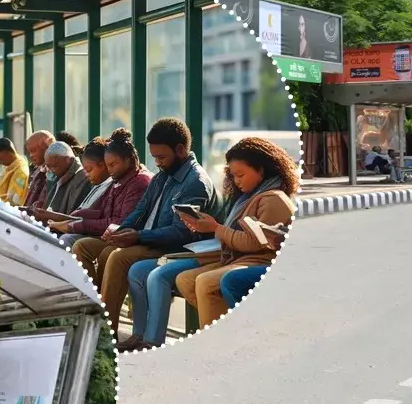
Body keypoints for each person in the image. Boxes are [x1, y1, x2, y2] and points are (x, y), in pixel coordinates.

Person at [72, 118, 217, 328]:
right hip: (148, 240)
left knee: (117, 257)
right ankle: (95, 316)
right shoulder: (162, 176)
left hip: (171, 248)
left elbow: (181, 233)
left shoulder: (195, 182)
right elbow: (140, 211)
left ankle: (105, 328)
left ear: (180, 150)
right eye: (154, 157)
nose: (157, 162)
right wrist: (121, 232)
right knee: (90, 247)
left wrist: (138, 236)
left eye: (161, 157)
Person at [173, 137, 300, 328]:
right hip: (236, 259)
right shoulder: (247, 198)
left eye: (240, 175)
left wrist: (216, 228)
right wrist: (206, 227)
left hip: (258, 261)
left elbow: (254, 243)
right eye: (233, 176)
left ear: (260, 170)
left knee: (206, 282)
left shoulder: (273, 198)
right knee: (185, 280)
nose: (236, 181)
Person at [54, 128, 152, 249]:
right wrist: (75, 218)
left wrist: (75, 225)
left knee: (77, 244)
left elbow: (121, 222)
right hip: (110, 235)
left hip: (122, 239)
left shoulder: (139, 182)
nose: (109, 170)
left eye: (113, 164)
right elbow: (103, 213)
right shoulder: (118, 180)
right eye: (108, 165)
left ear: (128, 160)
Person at [39, 141, 91, 217]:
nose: (53, 170)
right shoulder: (53, 177)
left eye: (55, 166)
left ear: (70, 159)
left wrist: (50, 216)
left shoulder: (83, 178)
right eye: (49, 166)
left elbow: (75, 218)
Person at [0, 137, 29, 205]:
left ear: (7, 152)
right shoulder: (8, 166)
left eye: (0, 160)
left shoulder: (21, 171)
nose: (0, 163)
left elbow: (14, 200)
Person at [23, 131, 54, 210]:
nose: (31, 156)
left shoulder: (55, 173)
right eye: (29, 152)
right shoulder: (37, 171)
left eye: (33, 150)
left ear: (47, 148)